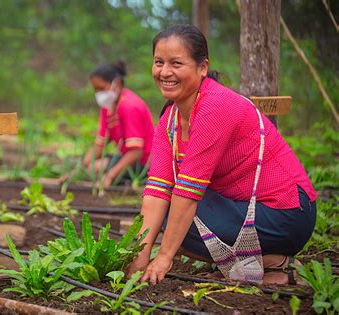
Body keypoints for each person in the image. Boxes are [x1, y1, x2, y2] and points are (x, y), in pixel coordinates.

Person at [128, 24, 317, 285]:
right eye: (159, 62)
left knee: (177, 219)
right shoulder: (169, 119)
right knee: (167, 215)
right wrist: (139, 255)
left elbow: (187, 192)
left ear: (202, 67)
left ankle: (277, 262)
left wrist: (163, 257)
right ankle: (262, 266)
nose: (165, 72)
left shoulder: (215, 106)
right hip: (241, 207)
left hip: (288, 212)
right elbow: (157, 190)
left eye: (176, 63)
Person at [83, 61, 154, 188]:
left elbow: (137, 152)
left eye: (101, 88)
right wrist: (80, 170)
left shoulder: (129, 106)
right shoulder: (108, 107)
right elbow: (99, 145)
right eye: (96, 90)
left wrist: (110, 175)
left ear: (117, 84)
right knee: (92, 167)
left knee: (98, 168)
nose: (99, 94)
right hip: (129, 160)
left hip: (145, 164)